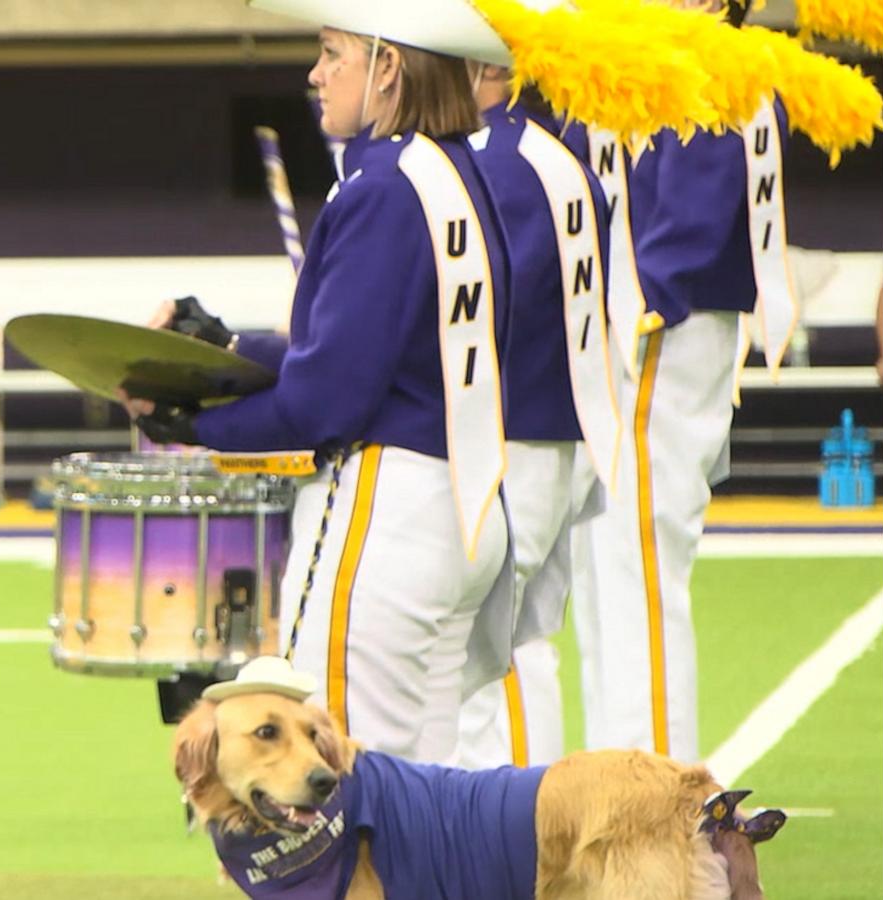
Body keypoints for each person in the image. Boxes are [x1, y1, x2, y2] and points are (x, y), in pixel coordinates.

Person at [124, 11, 514, 765]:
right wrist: (232, 349)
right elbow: (372, 352)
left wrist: (194, 425)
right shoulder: (461, 171)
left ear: (388, 67)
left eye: (332, 54)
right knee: (424, 793)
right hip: (466, 506)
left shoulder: (380, 186)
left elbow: (323, 402)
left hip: (385, 512)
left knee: (350, 784)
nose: (316, 73)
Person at [566, 0, 794, 762]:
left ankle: (658, 812)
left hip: (658, 335)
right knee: (605, 584)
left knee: (635, 582)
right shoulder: (663, 63)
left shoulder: (715, 72)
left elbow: (678, 244)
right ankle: (616, 785)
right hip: (636, 334)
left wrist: (593, 319)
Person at [452, 64, 618, 769]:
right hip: (562, 435)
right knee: (521, 652)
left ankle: (520, 853)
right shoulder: (561, 157)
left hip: (509, 438)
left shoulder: (492, 163)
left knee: (493, 664)